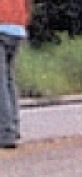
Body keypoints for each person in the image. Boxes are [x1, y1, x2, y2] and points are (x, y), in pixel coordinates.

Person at [0, 0, 29, 148]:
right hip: (17, 26)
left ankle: (6, 132)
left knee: (1, 81)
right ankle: (13, 126)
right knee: (9, 80)